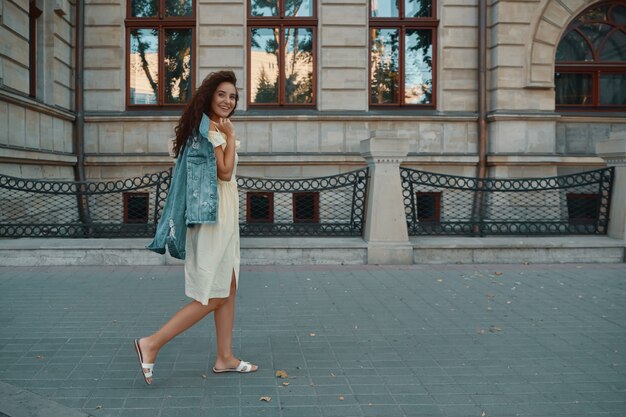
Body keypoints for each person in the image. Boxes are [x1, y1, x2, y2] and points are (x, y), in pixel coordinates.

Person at [135, 70, 257, 385]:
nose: (228, 101)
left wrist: (227, 134)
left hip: (223, 215)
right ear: (209, 97)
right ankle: (152, 343)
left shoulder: (212, 128)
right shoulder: (209, 132)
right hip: (213, 218)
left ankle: (225, 358)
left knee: (228, 286)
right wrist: (230, 137)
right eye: (222, 95)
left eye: (233, 96)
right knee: (213, 294)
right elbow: (226, 173)